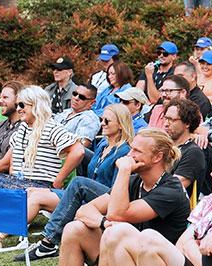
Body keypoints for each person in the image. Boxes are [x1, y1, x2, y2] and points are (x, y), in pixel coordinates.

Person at [28, 130, 191, 266]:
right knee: (74, 229)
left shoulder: (171, 189)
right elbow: (84, 211)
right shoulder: (135, 183)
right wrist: (103, 222)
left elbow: (118, 213)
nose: (129, 155)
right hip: (129, 265)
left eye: (136, 151)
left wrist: (123, 171)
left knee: (114, 233)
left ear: (157, 157)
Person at [0, 86, 84, 244]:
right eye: (17, 105)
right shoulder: (23, 128)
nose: (18, 109)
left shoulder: (51, 128)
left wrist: (59, 179)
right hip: (21, 180)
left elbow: (78, 151)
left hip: (40, 184)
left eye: (22, 105)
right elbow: (12, 160)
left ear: (36, 105)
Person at [23, 104, 134, 249]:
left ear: (120, 125)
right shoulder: (102, 145)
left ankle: (48, 241)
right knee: (33, 192)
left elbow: (116, 192)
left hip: (104, 200)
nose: (102, 124)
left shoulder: (124, 151)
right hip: (84, 196)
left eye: (107, 121)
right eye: (102, 119)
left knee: (78, 183)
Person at [162, 98, 206, 197]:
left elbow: (173, 189)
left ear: (187, 123)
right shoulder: (163, 147)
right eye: (165, 118)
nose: (166, 124)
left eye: (172, 120)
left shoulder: (193, 153)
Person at [53, 83, 101, 148]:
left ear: (92, 103)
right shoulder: (65, 112)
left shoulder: (89, 119)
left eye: (82, 97)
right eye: (75, 94)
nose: (76, 98)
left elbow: (81, 146)